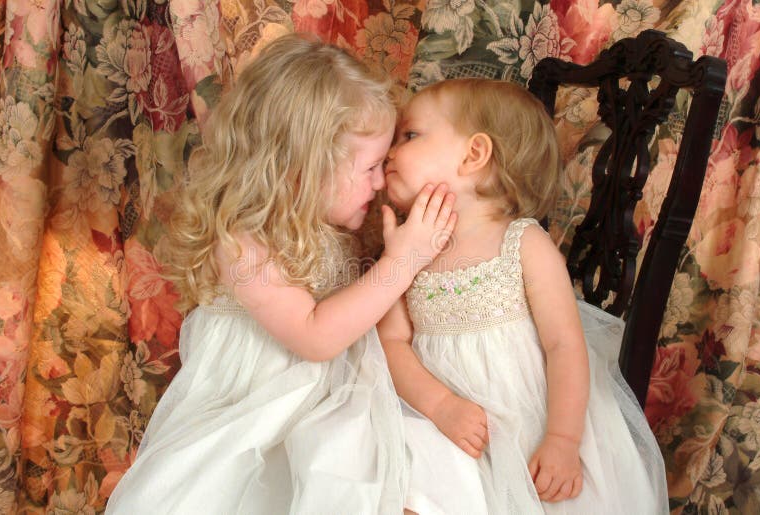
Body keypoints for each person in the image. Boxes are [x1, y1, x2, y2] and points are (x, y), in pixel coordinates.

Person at [106, 34, 457, 514]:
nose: (379, 183)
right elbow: (313, 337)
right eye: (371, 167)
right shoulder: (242, 241)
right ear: (302, 168)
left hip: (338, 399)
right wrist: (404, 261)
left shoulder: (333, 219)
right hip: (258, 408)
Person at [378, 78, 668, 514]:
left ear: (474, 154)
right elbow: (392, 343)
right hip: (440, 419)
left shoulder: (522, 243)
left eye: (410, 135)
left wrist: (563, 440)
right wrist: (440, 407)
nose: (389, 150)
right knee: (404, 486)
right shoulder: (406, 247)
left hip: (528, 424)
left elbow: (563, 345)